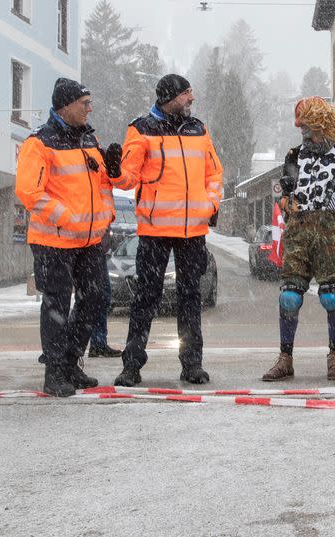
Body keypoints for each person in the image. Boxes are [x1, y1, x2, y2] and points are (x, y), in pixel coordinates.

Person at [107, 74, 223, 386]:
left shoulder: (199, 129)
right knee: (146, 298)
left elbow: (214, 174)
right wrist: (115, 171)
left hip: (193, 232)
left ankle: (192, 365)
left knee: (190, 299)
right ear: (171, 97)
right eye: (187, 93)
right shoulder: (141, 129)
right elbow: (128, 179)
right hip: (155, 230)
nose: (192, 99)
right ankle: (131, 367)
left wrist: (210, 204)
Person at [15, 78, 114, 396]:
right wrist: (66, 218)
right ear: (66, 106)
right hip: (53, 242)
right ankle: (54, 374)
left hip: (89, 241)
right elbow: (29, 191)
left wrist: (107, 213)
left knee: (94, 299)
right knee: (57, 305)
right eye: (84, 103)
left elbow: (103, 184)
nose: (89, 108)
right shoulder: (40, 143)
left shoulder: (89, 139)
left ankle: (71, 364)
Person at [261, 97, 335, 382]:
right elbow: (283, 188)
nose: (306, 134)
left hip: (330, 231)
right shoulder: (294, 155)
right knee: (289, 297)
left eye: (310, 127)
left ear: (324, 125)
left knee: (332, 297)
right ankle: (285, 358)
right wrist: (284, 201)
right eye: (303, 128)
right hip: (299, 231)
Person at [86, 228, 124, 357]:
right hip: (92, 249)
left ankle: (98, 343)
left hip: (97, 250)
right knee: (97, 299)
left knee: (101, 298)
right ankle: (97, 343)